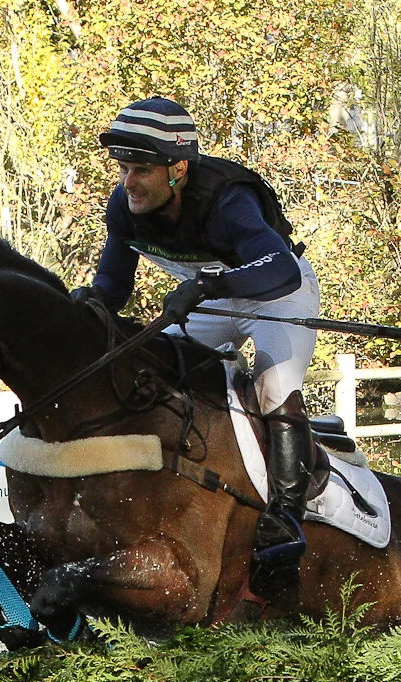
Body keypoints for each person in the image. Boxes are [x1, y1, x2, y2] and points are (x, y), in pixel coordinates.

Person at [73, 96, 318, 564]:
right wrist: (91, 301)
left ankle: (286, 518)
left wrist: (210, 285)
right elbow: (114, 285)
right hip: (209, 294)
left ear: (179, 168)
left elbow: (280, 271)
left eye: (142, 169)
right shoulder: (125, 208)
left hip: (277, 292)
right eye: (123, 168)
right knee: (162, 374)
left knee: (273, 384)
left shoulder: (228, 201)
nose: (129, 182)